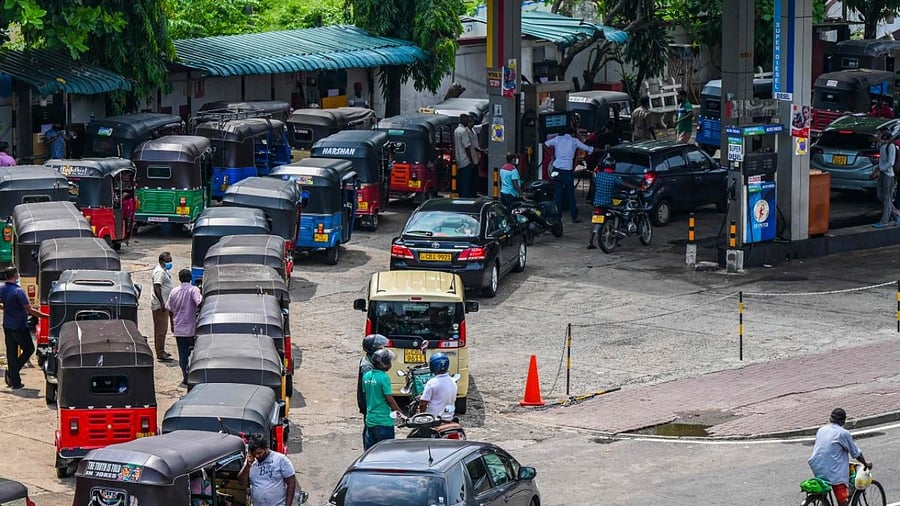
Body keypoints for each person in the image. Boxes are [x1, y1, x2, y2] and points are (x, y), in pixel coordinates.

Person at [808, 408, 872, 506]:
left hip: (817, 468)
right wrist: (865, 464)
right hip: (833, 472)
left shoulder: (821, 430)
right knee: (842, 500)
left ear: (830, 419)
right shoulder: (843, 433)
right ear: (843, 421)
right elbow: (856, 453)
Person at [0, 267, 47, 389]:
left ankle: (15, 381)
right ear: (15, 276)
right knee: (29, 349)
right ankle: (12, 373)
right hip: (19, 326)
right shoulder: (18, 291)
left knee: (11, 352)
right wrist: (46, 316)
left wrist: (5, 308)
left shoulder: (2, 288)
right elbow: (30, 310)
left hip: (7, 325)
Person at [545, 127, 594, 223]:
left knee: (558, 194)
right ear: (572, 134)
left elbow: (545, 144)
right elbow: (588, 149)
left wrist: (552, 155)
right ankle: (574, 216)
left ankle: (557, 217)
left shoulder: (557, 139)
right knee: (570, 194)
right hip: (567, 171)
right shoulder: (574, 141)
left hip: (556, 170)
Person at [587, 165, 639, 249]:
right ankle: (616, 238)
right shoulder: (613, 178)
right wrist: (636, 187)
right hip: (608, 203)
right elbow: (623, 183)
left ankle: (590, 242)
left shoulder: (599, 175)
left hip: (597, 203)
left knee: (594, 223)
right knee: (618, 215)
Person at [166, 268, 202, 385]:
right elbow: (199, 302)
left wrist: (172, 323)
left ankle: (185, 377)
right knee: (194, 354)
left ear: (179, 279)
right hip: (191, 328)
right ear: (190, 278)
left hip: (178, 328)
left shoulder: (174, 291)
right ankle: (193, 376)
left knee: (183, 355)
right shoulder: (193, 290)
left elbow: (169, 309)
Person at [239, 435, 298, 506]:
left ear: (266, 448)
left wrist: (288, 505)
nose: (257, 456)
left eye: (259, 453)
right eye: (255, 454)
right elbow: (241, 482)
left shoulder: (280, 459)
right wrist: (247, 465)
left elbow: (291, 483)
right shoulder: (251, 461)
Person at [362, 348, 402, 450]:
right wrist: (400, 413)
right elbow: (390, 400)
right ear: (383, 363)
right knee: (385, 453)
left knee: (370, 452)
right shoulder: (384, 378)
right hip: (383, 422)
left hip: (370, 420)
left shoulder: (366, 376)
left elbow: (366, 395)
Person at [357, 333, 389, 444]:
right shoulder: (367, 366)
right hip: (370, 406)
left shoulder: (369, 361)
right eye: (380, 347)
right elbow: (369, 388)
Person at [872, 129, 900, 228]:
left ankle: (884, 221)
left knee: (887, 197)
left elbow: (891, 162)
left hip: (889, 175)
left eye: (879, 134)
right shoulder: (882, 146)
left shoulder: (890, 146)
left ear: (884, 136)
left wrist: (880, 169)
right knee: (881, 195)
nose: (877, 136)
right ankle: (896, 214)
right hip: (883, 173)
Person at [418, 353, 457, 420]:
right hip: (449, 418)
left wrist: (419, 414)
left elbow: (423, 404)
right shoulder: (453, 381)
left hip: (433, 419)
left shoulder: (431, 383)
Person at [151, 252, 175, 362]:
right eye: (168, 261)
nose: (170, 263)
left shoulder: (164, 271)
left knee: (163, 329)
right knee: (161, 329)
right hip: (160, 306)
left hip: (165, 304)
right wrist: (162, 302)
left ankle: (161, 350)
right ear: (161, 262)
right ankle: (160, 352)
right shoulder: (159, 272)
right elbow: (157, 287)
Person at [453, 114, 478, 197]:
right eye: (467, 120)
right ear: (463, 120)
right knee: (466, 183)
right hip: (465, 161)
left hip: (459, 160)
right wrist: (472, 161)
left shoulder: (456, 130)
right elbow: (467, 147)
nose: (468, 122)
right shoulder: (464, 131)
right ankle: (466, 198)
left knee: (462, 182)